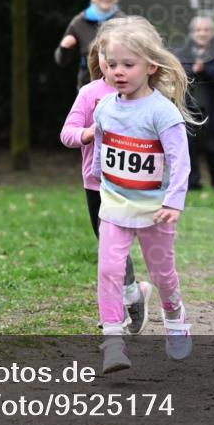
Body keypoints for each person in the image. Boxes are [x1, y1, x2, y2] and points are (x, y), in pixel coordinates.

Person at [88, 16, 194, 373]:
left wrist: (173, 202)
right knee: (109, 270)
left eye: (128, 65)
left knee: (162, 273)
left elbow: (181, 162)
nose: (118, 71)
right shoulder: (104, 106)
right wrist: (97, 177)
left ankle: (174, 314)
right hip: (115, 205)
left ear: (150, 66)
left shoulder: (162, 112)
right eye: (112, 64)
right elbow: (101, 145)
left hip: (155, 211)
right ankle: (113, 340)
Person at [60, 48, 151, 334]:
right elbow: (67, 133)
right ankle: (132, 294)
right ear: (98, 59)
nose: (115, 65)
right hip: (96, 184)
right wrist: (87, 133)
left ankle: (115, 311)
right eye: (106, 56)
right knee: (110, 247)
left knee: (112, 250)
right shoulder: (89, 92)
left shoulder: (147, 93)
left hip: (133, 183)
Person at [174, 16, 214, 190]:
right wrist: (193, 71)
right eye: (198, 30)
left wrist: (205, 70)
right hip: (189, 107)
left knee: (213, 147)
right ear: (192, 33)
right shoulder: (181, 52)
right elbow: (177, 73)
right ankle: (193, 182)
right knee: (189, 146)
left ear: (212, 32)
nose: (202, 33)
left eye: (206, 30)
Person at [55, 0, 123, 89]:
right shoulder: (79, 22)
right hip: (87, 86)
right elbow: (61, 61)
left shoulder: (124, 22)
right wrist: (64, 48)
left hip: (117, 88)